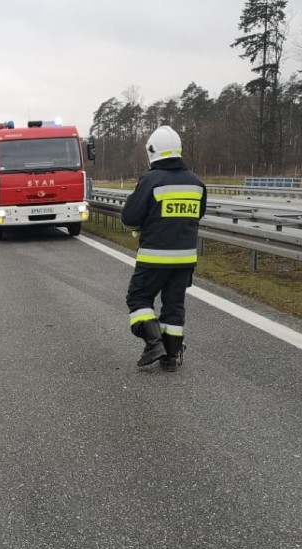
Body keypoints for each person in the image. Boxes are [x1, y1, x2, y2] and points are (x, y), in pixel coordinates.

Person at [122, 125, 206, 371]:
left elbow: (130, 217)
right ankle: (170, 357)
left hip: (154, 257)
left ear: (153, 152)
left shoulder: (151, 180)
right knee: (174, 305)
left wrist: (142, 226)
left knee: (138, 298)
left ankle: (153, 342)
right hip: (186, 259)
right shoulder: (196, 183)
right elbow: (197, 215)